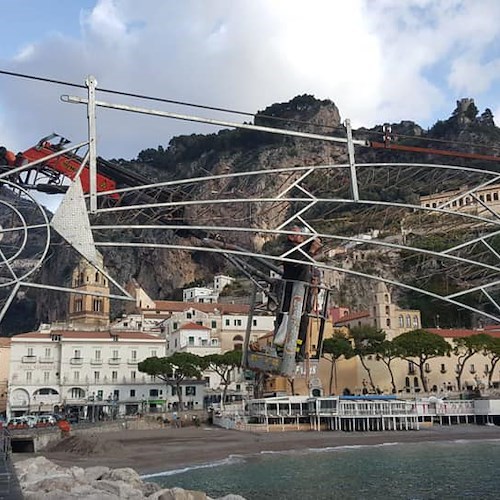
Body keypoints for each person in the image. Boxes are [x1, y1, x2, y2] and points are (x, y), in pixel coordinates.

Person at [275, 225, 322, 360]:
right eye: (299, 235)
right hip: (291, 295)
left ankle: (298, 352)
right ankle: (283, 350)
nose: (301, 236)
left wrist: (315, 283)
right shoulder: (289, 250)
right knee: (287, 322)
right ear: (290, 237)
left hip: (304, 296)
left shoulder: (300, 250)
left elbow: (308, 260)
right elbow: (300, 263)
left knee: (302, 324)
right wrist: (312, 251)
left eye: (302, 235)